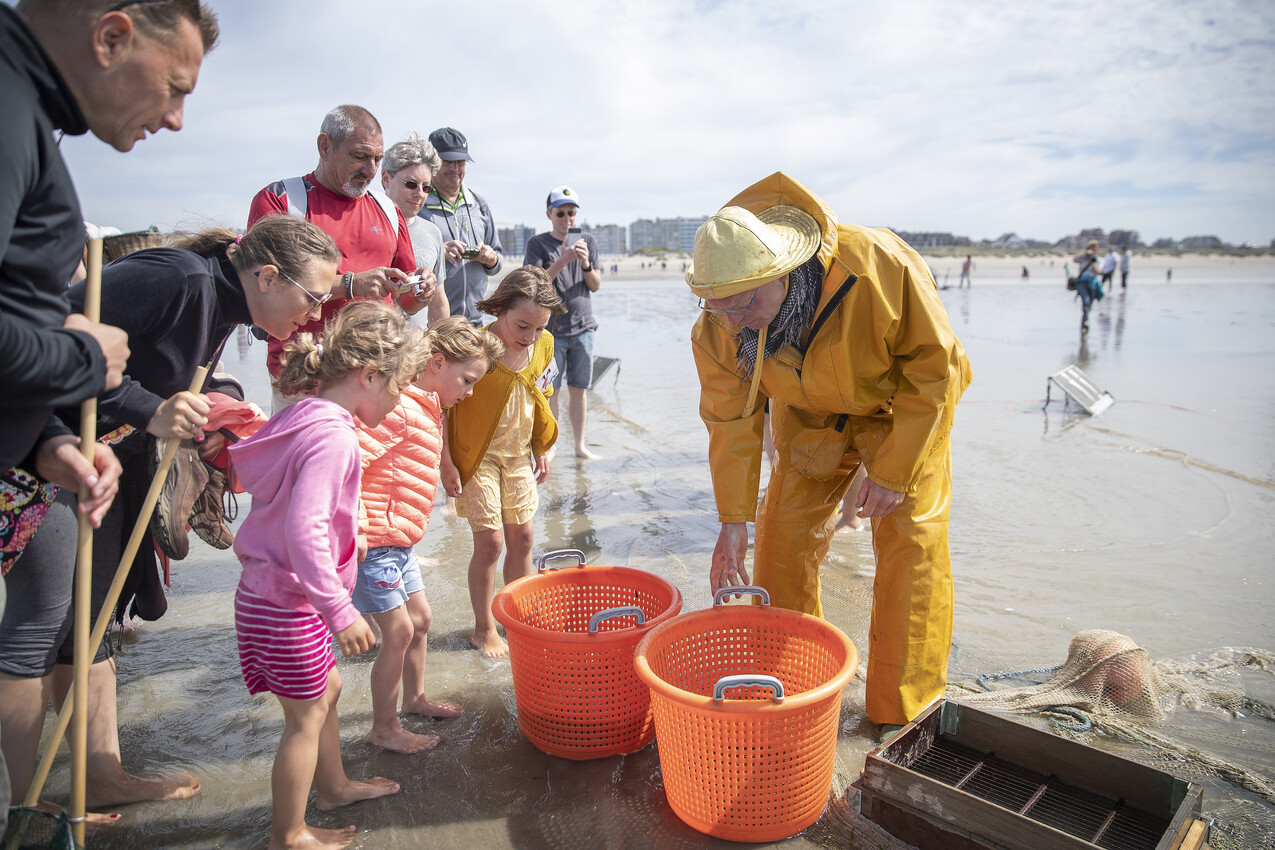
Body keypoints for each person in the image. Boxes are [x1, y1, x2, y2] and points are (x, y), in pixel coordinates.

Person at [1, 0, 219, 819]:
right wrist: (85, 361)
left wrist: (46, 442)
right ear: (111, 35)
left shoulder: (28, 115)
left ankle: (35, 806)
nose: (175, 118)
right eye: (174, 86)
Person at [687, 173, 971, 734]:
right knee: (780, 543)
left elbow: (938, 372)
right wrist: (732, 521)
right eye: (716, 308)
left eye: (744, 305)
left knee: (913, 544)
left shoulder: (880, 264)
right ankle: (796, 690)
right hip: (812, 422)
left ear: (784, 273)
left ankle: (902, 711)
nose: (733, 321)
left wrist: (891, 471)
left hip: (900, 414)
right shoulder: (721, 326)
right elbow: (731, 422)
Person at [231, 301, 426, 850]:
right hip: (290, 602)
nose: (401, 399)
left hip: (268, 593)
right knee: (305, 718)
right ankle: (288, 833)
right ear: (369, 375)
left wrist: (353, 535)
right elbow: (306, 529)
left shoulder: (305, 412)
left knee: (328, 690)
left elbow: (301, 501)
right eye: (399, 385)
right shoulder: (335, 435)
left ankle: (335, 785)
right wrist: (341, 611)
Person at [353, 317, 502, 753]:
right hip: (376, 542)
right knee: (397, 633)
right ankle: (383, 728)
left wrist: (448, 467)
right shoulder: (398, 407)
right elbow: (351, 464)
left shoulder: (426, 407)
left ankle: (415, 699)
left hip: (401, 544)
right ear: (436, 363)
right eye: (468, 380)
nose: (470, 392)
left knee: (421, 622)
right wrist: (356, 525)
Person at [248, 105, 435, 411]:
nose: (370, 169)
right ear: (325, 146)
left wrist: (421, 290)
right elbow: (265, 289)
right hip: (303, 377)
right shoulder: (281, 200)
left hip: (373, 379)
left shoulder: (389, 211)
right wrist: (349, 285)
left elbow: (405, 301)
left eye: (377, 159)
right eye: (360, 156)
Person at [441, 268, 563, 657]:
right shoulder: (476, 347)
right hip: (478, 458)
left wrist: (543, 446)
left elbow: (544, 391)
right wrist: (445, 462)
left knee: (524, 538)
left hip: (518, 454)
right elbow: (440, 406)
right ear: (499, 309)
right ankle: (483, 627)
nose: (529, 337)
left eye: (539, 328)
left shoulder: (543, 344)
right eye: (521, 325)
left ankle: (518, 617)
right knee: (490, 543)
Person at [524, 186, 602, 460]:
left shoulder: (588, 241)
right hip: (550, 331)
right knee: (550, 392)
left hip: (583, 328)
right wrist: (562, 260)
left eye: (571, 212)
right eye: (560, 213)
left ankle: (580, 446)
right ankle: (551, 445)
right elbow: (533, 284)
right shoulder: (538, 244)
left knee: (579, 390)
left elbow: (595, 285)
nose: (567, 218)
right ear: (550, 214)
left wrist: (584, 263)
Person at [420, 128, 504, 324]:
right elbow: (404, 260)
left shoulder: (479, 204)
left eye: (460, 162)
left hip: (475, 323)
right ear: (431, 162)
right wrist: (438, 253)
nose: (455, 168)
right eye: (447, 161)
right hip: (435, 325)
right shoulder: (417, 204)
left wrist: (491, 259)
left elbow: (498, 260)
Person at [379, 132, 449, 325]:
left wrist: (444, 345)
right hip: (373, 348)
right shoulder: (366, 226)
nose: (419, 194)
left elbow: (438, 302)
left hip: (417, 350)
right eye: (411, 184)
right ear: (386, 179)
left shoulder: (432, 232)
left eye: (426, 187)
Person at [1073, 240, 1103, 332]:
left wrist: (1092, 262)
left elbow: (1099, 272)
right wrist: (1085, 253)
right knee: (1085, 302)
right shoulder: (1082, 258)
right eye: (1091, 248)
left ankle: (1085, 321)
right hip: (1082, 283)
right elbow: (1074, 259)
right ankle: (1085, 324)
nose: (1093, 250)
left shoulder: (1098, 260)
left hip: (1093, 284)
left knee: (1089, 305)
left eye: (1095, 249)